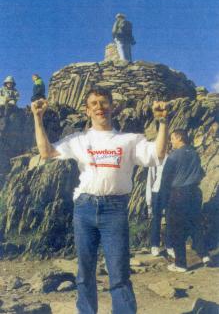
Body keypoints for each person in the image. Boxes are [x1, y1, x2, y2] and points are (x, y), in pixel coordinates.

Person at [31, 87, 169, 314]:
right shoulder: (77, 139)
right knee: (85, 272)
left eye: (104, 103)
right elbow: (46, 153)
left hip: (115, 209)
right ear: (87, 111)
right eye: (94, 104)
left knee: (119, 272)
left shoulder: (129, 140)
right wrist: (38, 118)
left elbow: (159, 154)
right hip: (84, 208)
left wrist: (162, 122)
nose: (99, 107)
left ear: (112, 107)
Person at [161, 129, 210, 273]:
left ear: (179, 138)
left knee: (177, 229)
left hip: (178, 193)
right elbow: (201, 173)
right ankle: (205, 255)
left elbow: (165, 179)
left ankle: (181, 264)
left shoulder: (174, 156)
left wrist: (164, 200)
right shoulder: (194, 154)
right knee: (195, 224)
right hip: (195, 192)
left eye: (172, 139)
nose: (171, 142)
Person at [146, 155, 175, 258]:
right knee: (156, 219)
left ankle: (169, 245)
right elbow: (151, 179)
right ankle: (155, 245)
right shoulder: (155, 159)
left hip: (170, 191)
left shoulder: (173, 157)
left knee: (170, 219)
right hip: (157, 191)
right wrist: (149, 199)